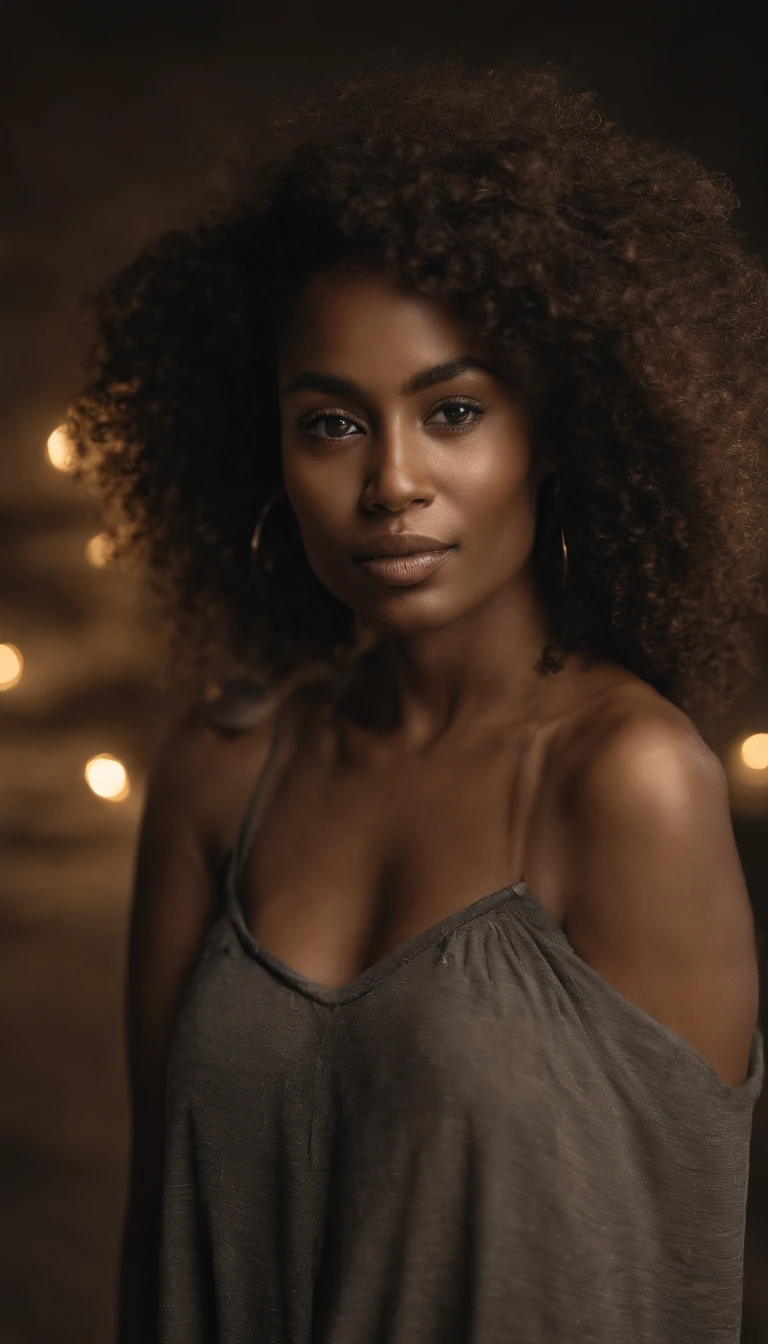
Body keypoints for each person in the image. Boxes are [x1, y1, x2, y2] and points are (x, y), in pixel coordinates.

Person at [69, 57, 767, 1344]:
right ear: (267, 447)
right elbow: (155, 1251)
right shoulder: (222, 774)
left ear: (552, 431)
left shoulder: (628, 780)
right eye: (331, 425)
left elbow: (680, 1264)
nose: (393, 482)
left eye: (452, 411)